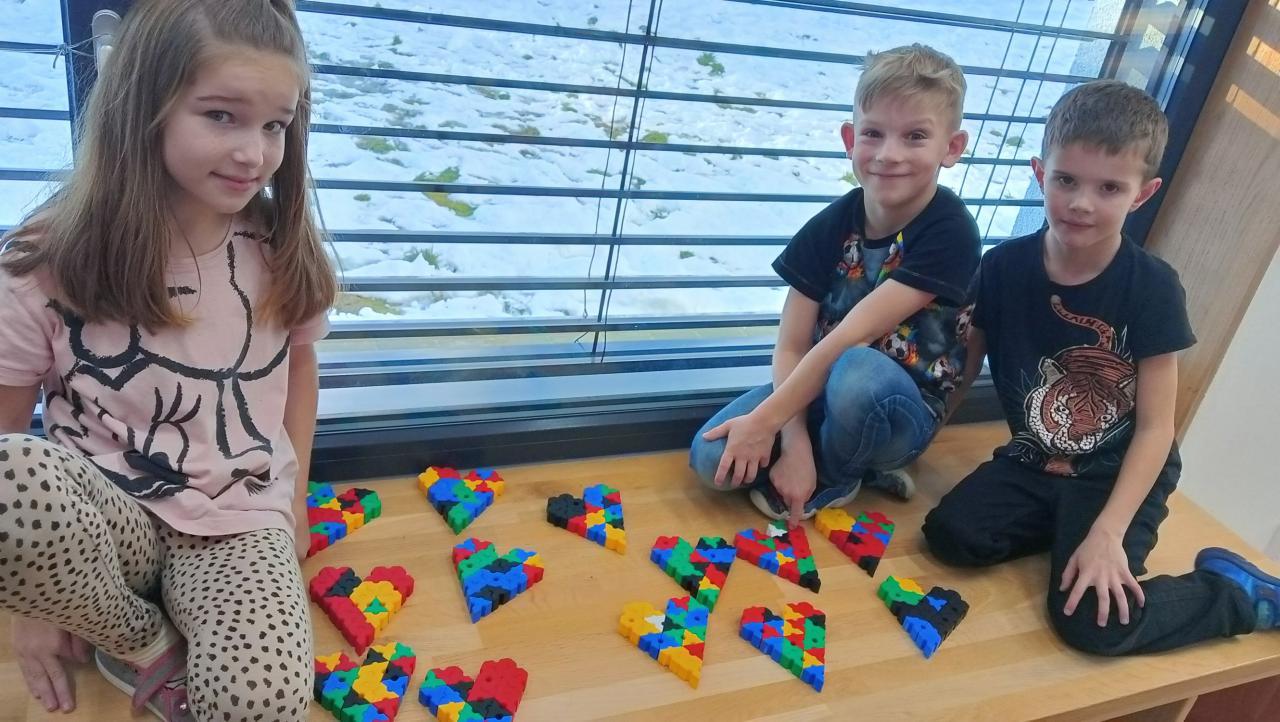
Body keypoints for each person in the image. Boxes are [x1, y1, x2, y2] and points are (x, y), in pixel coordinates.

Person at [0, 1, 337, 718]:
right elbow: (6, 424)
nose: (254, 154)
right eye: (221, 116)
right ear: (142, 108)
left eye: (275, 125)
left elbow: (302, 368)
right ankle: (145, 643)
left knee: (262, 707)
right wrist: (30, 602)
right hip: (107, 517)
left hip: (235, 521)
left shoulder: (279, 246)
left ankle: (156, 633)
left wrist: (295, 505)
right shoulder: (43, 259)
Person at [924, 79, 1276, 655]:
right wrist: (916, 437)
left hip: (1117, 471)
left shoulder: (1153, 288)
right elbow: (962, 372)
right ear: (1040, 174)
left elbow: (1157, 428)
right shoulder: (1002, 267)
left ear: (1142, 194)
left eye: (1109, 187)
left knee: (1092, 623)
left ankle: (1234, 593)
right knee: (951, 538)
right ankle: (1070, 531)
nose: (1081, 203)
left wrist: (1109, 531)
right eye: (1066, 180)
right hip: (1037, 457)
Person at [689, 44, 981, 524]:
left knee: (858, 370)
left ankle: (841, 474)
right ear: (850, 138)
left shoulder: (951, 231)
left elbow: (852, 336)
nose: (889, 154)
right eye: (873, 133)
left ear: (951, 148)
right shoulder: (831, 224)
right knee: (710, 459)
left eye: (915, 136)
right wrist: (792, 441)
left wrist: (768, 424)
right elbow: (791, 345)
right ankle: (829, 457)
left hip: (899, 408)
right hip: (824, 385)